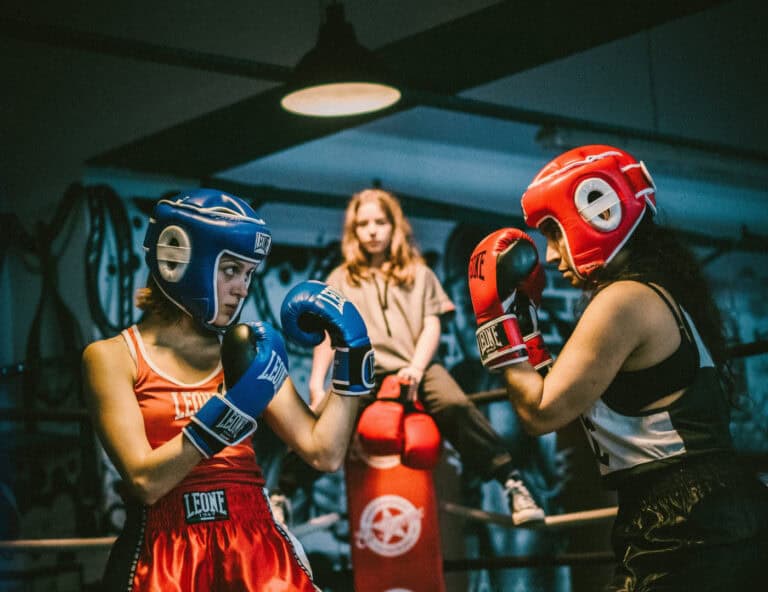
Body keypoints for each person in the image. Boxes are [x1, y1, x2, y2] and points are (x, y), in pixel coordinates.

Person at [468, 145, 768, 590]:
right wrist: (525, 327)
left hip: (685, 519)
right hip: (709, 510)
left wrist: (496, 321)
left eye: (553, 233)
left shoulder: (621, 302)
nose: (550, 256)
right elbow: (562, 392)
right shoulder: (657, 291)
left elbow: (541, 412)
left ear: (597, 213)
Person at [82, 188, 373, 591]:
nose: (242, 288)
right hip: (166, 550)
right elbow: (144, 482)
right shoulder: (113, 357)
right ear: (179, 259)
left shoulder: (244, 352)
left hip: (256, 543)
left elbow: (324, 451)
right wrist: (229, 412)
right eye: (231, 270)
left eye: (248, 274)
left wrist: (352, 361)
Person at [308, 187, 545, 525]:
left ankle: (512, 483)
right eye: (363, 224)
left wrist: (416, 369)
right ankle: (283, 494)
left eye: (379, 222)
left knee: (456, 405)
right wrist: (318, 384)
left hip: (416, 364)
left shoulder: (419, 273)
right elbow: (328, 335)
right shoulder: (341, 279)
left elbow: (432, 324)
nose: (372, 231)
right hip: (364, 368)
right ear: (354, 231)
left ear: (394, 227)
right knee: (323, 421)